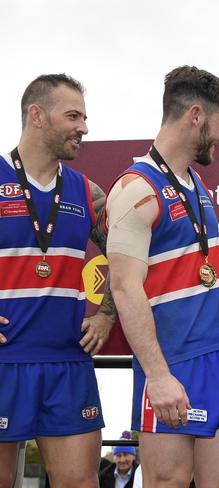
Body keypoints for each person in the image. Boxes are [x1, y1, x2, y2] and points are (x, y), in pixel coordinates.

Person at [106, 66, 219, 488]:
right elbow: (123, 286)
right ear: (196, 114)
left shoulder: (194, 182)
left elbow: (174, 259)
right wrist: (157, 375)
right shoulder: (135, 188)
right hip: (174, 361)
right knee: (167, 482)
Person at [0, 74, 115, 488]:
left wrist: (105, 316)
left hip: (68, 362)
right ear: (37, 116)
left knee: (81, 483)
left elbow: (126, 258)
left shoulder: (88, 191)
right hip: (5, 360)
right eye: (73, 115)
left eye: (84, 117)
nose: (83, 127)